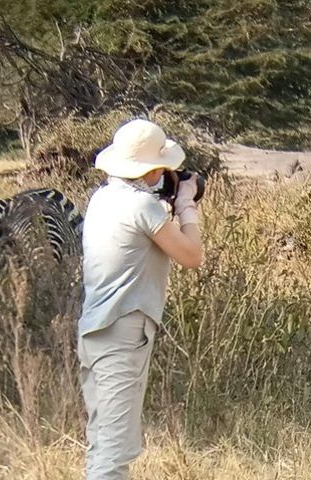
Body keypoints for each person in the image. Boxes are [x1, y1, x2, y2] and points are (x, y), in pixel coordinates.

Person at [77, 118, 204, 479]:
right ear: (151, 172)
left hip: (95, 333)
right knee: (114, 456)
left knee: (102, 444)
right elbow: (193, 256)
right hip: (123, 335)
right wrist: (185, 205)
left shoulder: (101, 199)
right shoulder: (142, 209)